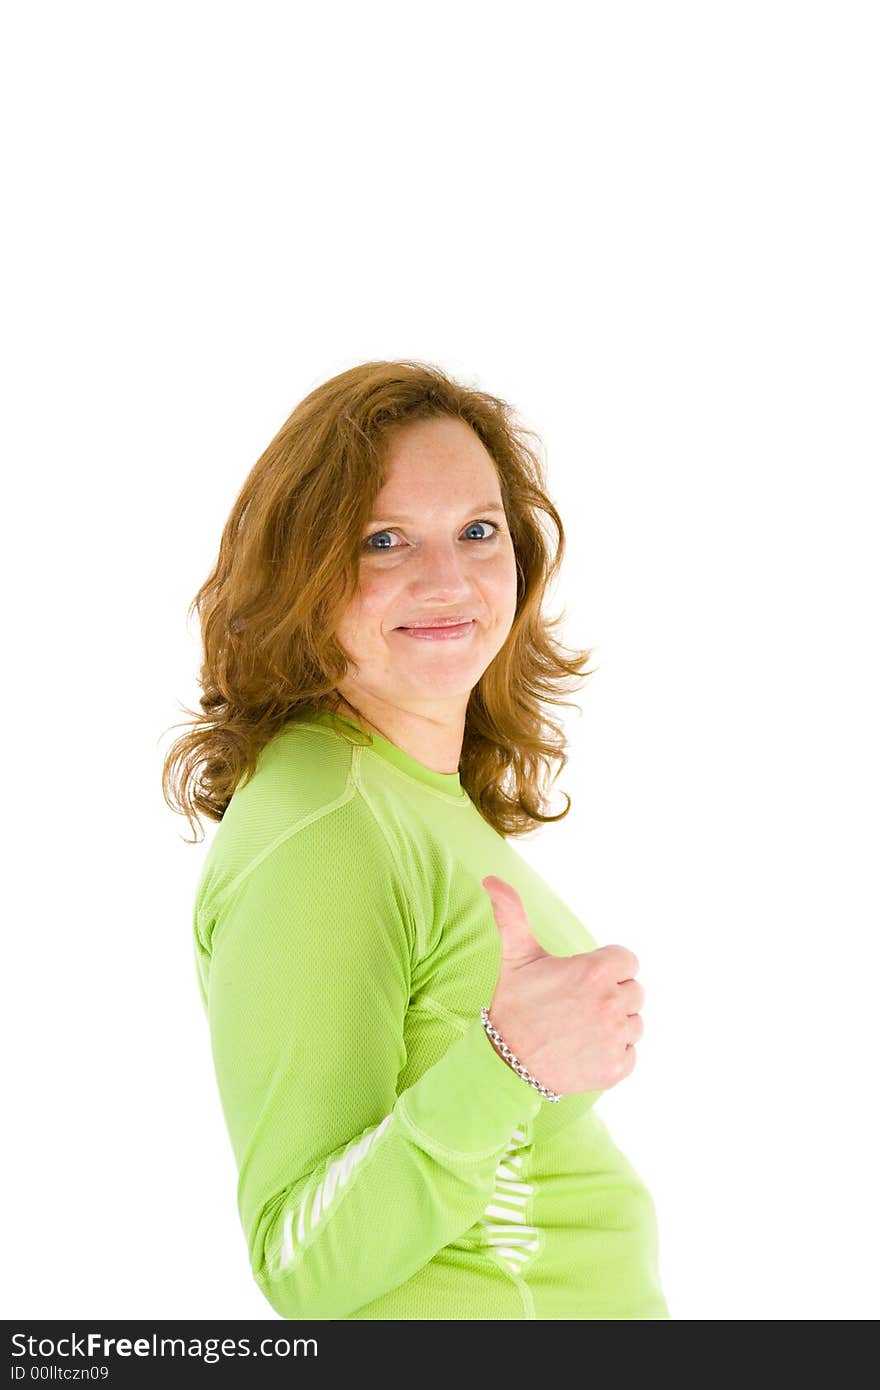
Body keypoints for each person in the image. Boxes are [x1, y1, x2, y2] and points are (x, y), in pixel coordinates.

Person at [162, 359, 671, 1319]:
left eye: (478, 531)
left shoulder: (405, 787)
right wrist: (507, 1061)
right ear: (300, 573)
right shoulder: (325, 828)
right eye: (384, 541)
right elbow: (299, 1259)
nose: (449, 580)